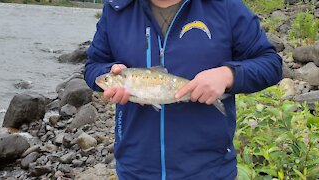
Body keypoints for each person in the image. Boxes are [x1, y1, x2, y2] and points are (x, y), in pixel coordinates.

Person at [84, 0, 282, 179]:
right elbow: (93, 66)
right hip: (135, 168)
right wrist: (109, 71)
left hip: (209, 170)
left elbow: (271, 63)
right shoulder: (117, 8)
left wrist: (229, 75)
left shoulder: (225, 6)